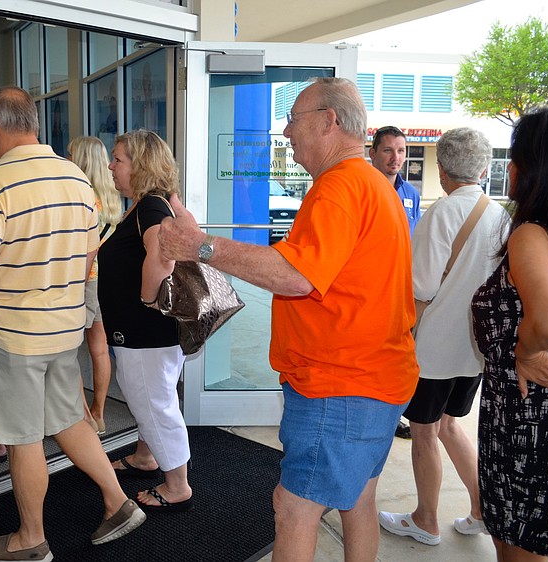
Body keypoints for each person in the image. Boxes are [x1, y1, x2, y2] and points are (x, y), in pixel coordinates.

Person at [159, 77, 419, 561]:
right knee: (357, 499)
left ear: (329, 121)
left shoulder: (340, 187)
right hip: (377, 378)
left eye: (293, 119)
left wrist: (201, 246)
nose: (285, 131)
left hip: (339, 386)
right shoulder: (372, 185)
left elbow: (297, 275)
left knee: (293, 508)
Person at [0, 86, 145, 562]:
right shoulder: (77, 179)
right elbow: (87, 261)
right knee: (68, 419)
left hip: (11, 336)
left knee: (23, 437)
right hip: (63, 329)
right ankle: (118, 502)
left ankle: (30, 540)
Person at [378, 128, 509, 546]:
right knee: (451, 427)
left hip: (433, 350)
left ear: (443, 171)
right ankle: (481, 510)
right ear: (484, 169)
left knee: (424, 432)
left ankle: (426, 520)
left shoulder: (442, 213)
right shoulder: (501, 216)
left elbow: (420, 287)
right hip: (474, 350)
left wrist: (396, 336)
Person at [471, 108, 548, 562]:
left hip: (531, 427)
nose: (509, 168)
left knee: (522, 547)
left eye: (515, 157)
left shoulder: (533, 234)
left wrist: (526, 350)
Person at [98, 130, 193, 512]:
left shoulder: (151, 208)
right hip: (146, 333)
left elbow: (163, 256)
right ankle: (145, 456)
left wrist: (146, 298)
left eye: (118, 159)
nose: (111, 166)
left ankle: (178, 486)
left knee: (155, 404)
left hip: (145, 332)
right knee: (151, 399)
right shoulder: (151, 204)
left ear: (141, 165)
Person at [68, 136, 123, 436]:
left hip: (84, 280)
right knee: (100, 349)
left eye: (70, 154)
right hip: (107, 280)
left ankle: (84, 416)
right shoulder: (112, 196)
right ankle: (99, 412)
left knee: (68, 351)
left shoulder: (82, 197)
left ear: (81, 160)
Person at [370, 124, 421, 440]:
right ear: (373, 153)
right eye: (388, 150)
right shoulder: (364, 189)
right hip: (371, 290)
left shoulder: (410, 194)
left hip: (401, 290)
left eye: (401, 151)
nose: (395, 158)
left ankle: (394, 414)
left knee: (396, 354)